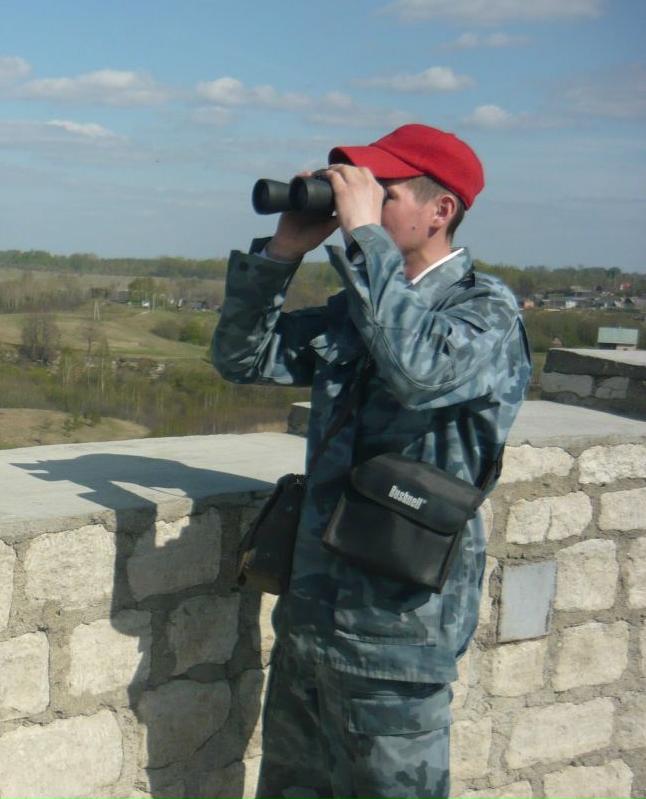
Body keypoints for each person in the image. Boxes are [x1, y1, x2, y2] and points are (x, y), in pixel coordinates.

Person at [211, 124, 531, 798]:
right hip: (310, 625)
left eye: (382, 192)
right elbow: (241, 359)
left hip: (397, 642)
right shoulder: (356, 310)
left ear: (440, 210)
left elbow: (419, 370)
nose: (358, 203)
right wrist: (282, 253)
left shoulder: (485, 312)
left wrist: (365, 241)